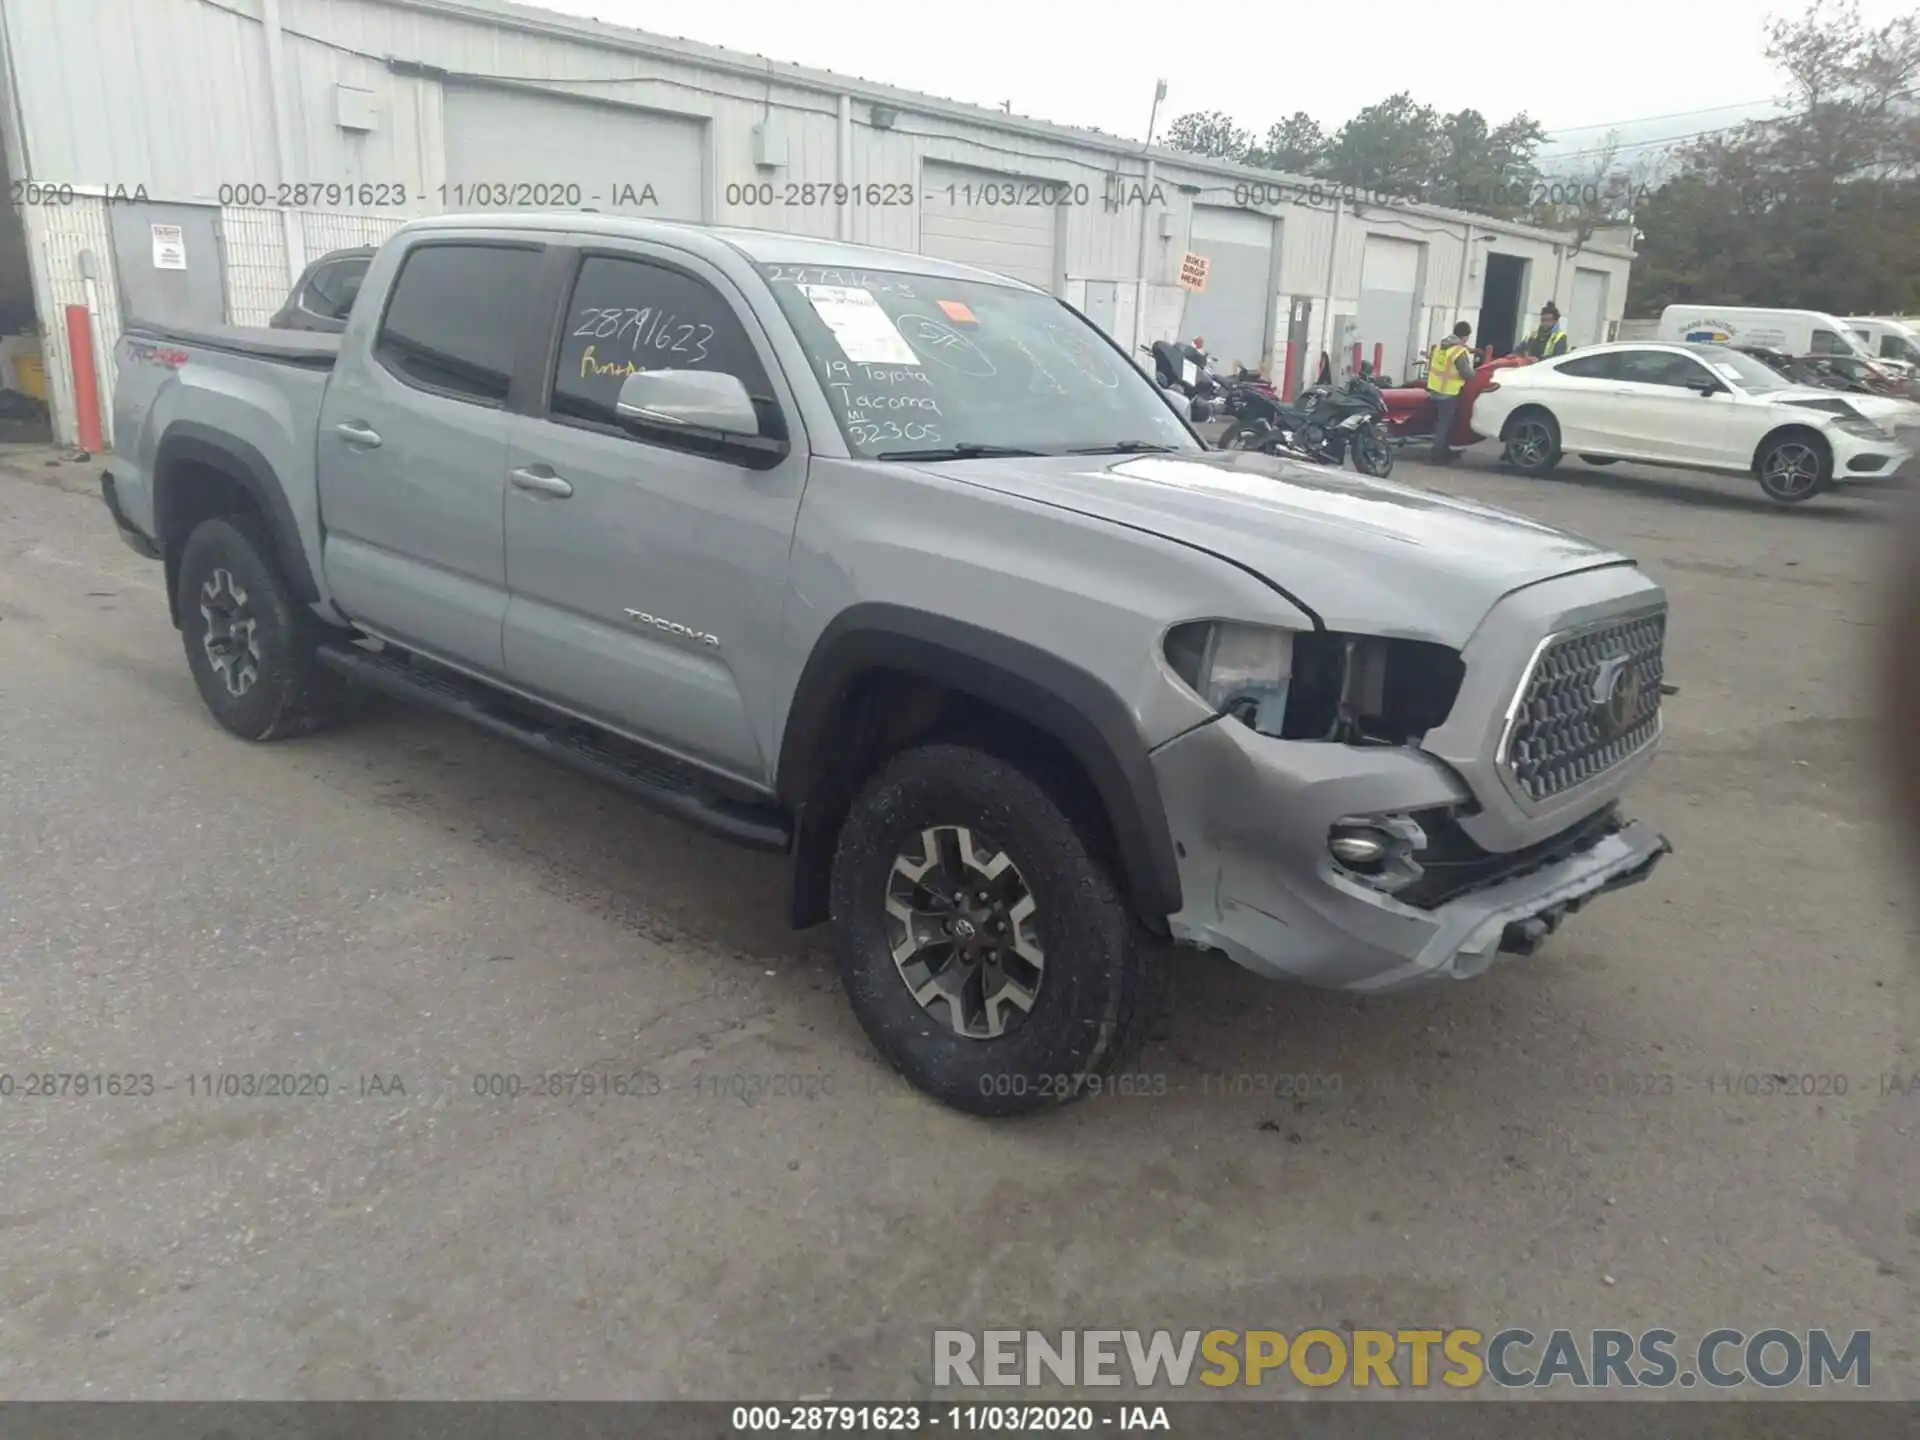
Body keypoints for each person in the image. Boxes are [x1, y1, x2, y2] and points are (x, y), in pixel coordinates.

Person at [1425, 321, 1476, 463]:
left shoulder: (1441, 346)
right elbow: (1467, 373)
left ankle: (1443, 449)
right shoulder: (1458, 351)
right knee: (1444, 424)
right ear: (1465, 336)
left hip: (1434, 389)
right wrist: (1475, 373)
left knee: (1440, 422)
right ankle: (1437, 454)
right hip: (1447, 392)